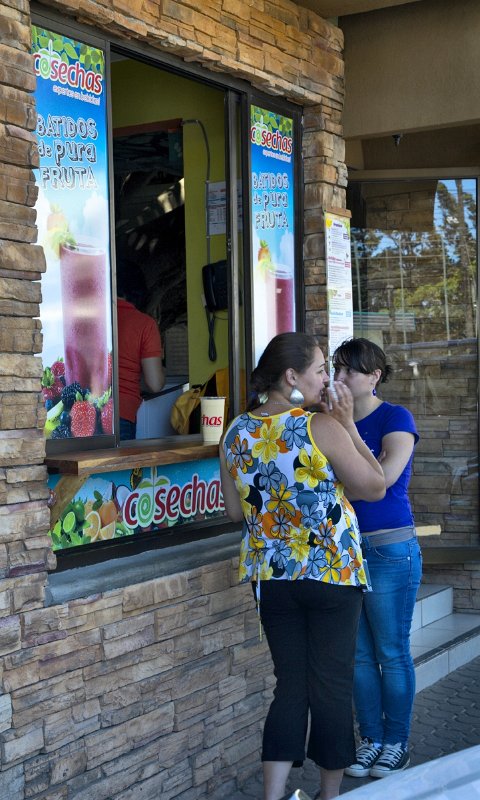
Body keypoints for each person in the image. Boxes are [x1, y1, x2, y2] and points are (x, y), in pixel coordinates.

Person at [219, 332, 386, 800]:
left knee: (290, 685)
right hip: (332, 571)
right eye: (319, 371)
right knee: (331, 685)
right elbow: (374, 486)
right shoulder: (320, 427)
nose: (328, 380)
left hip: (273, 578)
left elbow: (235, 513)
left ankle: (273, 797)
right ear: (291, 377)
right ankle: (328, 796)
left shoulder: (234, 431)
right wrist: (348, 424)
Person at [328, 337, 422, 780]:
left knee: (390, 650)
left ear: (374, 377)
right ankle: (371, 740)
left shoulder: (395, 417)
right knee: (359, 655)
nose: (339, 378)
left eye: (349, 370)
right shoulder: (326, 419)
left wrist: (346, 427)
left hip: (388, 546)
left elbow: (380, 480)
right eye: (336, 368)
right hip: (344, 547)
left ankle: (397, 742)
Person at [116, 263, 165, 440]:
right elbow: (154, 383)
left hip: (89, 407)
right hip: (122, 415)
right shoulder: (145, 324)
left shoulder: (95, 318)